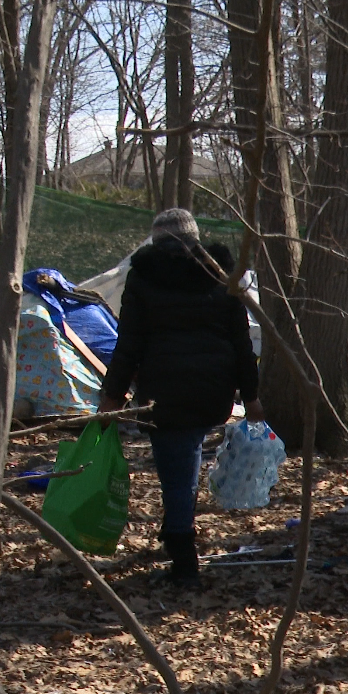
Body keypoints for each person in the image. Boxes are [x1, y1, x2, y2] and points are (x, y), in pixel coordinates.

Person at [97, 208, 263, 586]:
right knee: (182, 460)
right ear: (195, 239)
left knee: (178, 470)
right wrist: (250, 398)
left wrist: (112, 398)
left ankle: (183, 555)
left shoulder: (143, 279)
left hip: (163, 391)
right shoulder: (222, 277)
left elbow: (129, 345)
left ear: (156, 242)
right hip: (212, 388)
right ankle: (173, 527)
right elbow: (241, 343)